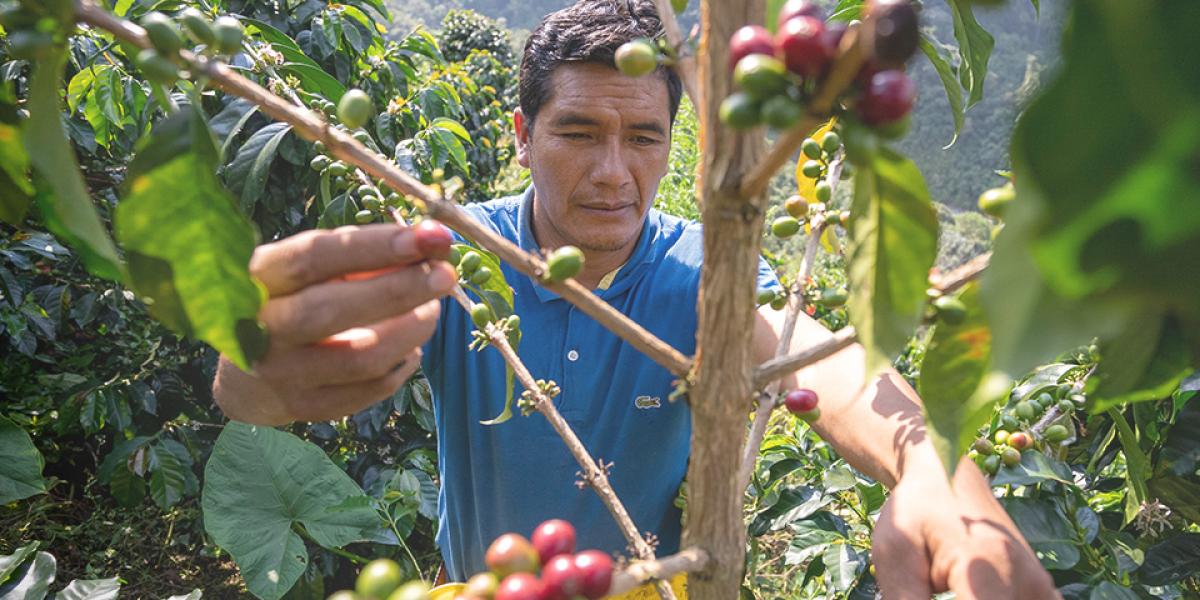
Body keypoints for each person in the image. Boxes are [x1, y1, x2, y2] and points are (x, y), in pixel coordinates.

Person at [213, 0, 1059, 597]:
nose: (615, 173)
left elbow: (825, 366)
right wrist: (259, 366)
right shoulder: (464, 252)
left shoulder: (701, 268)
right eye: (579, 133)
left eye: (644, 137)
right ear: (522, 135)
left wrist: (930, 470)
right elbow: (255, 388)